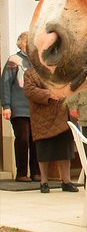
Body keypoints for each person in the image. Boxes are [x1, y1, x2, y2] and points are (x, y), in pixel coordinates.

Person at [23, 68, 77, 193]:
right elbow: (29, 90)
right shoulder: (30, 73)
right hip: (42, 117)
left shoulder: (60, 69)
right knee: (44, 151)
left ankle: (67, 181)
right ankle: (44, 182)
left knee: (65, 150)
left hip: (62, 114)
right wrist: (49, 94)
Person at [1, 32, 40, 182]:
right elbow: (5, 84)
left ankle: (36, 172)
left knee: (35, 140)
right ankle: (21, 173)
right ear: (22, 44)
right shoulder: (14, 60)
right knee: (22, 139)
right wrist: (6, 106)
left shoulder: (37, 61)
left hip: (35, 109)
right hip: (18, 108)